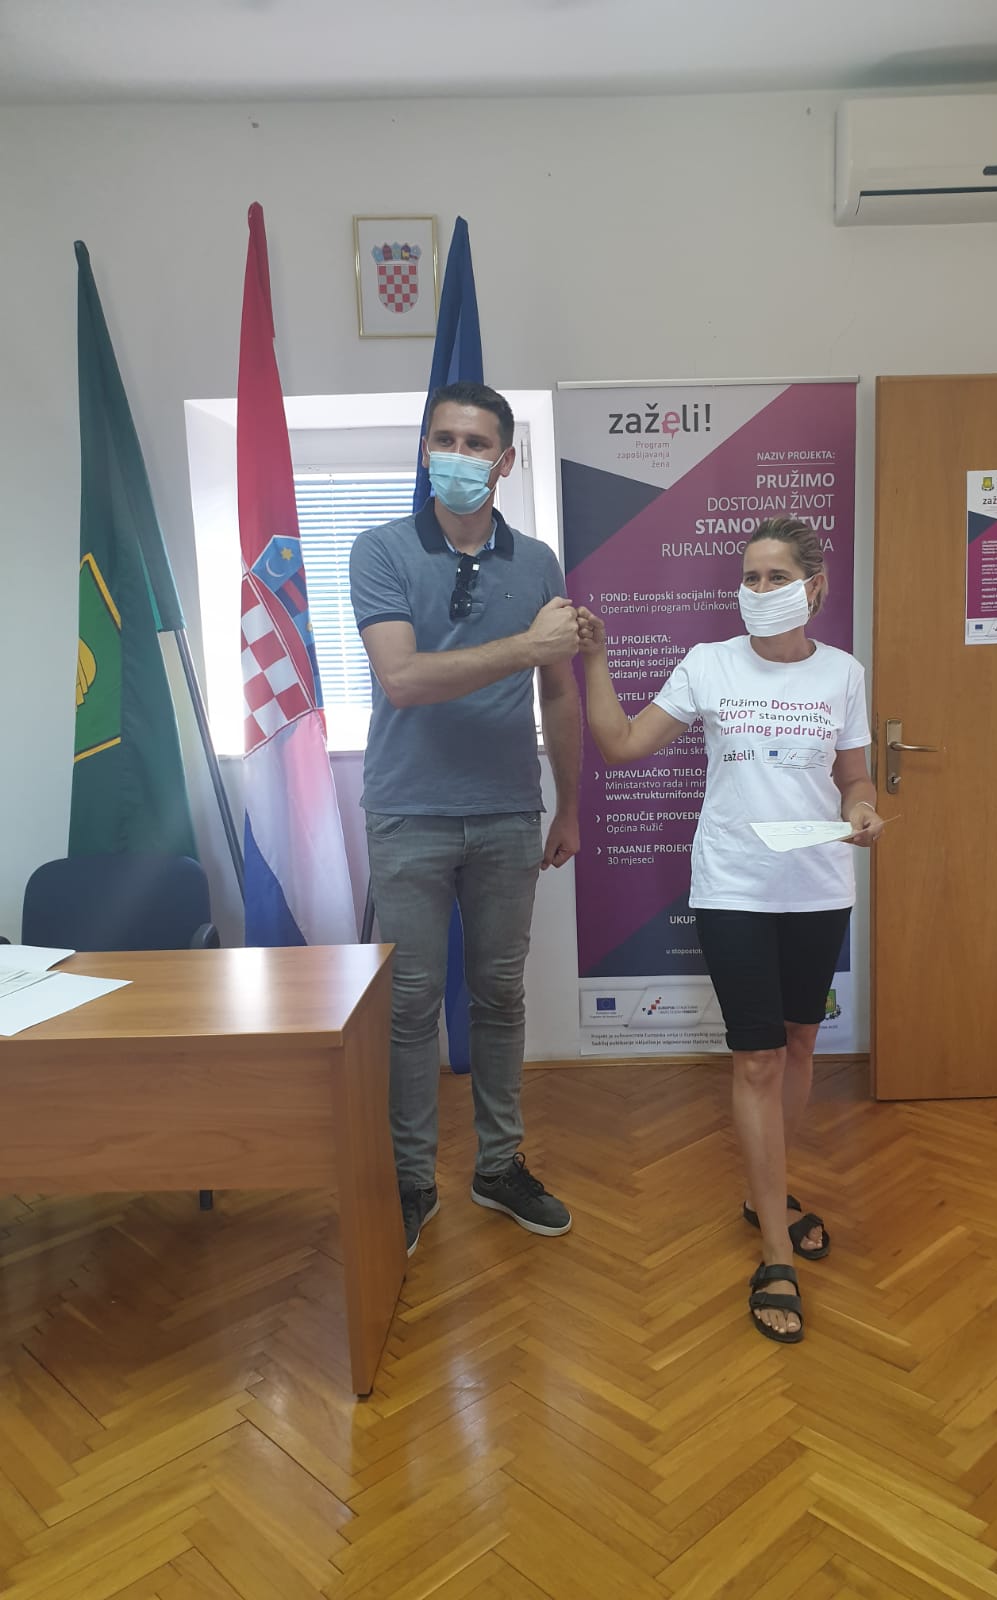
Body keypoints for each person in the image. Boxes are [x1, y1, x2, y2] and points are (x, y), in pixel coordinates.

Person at [577, 517, 885, 1343]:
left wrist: (861, 810)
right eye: (750, 576)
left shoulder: (843, 673)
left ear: (815, 587)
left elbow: (855, 776)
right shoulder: (708, 663)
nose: (759, 590)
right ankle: (775, 1249)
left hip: (817, 886)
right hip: (734, 887)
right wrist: (597, 660)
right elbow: (621, 744)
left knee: (800, 1043)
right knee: (756, 1058)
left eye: (775, 576)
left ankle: (764, 1192)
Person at [349, 380, 580, 1257]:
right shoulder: (379, 549)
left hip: (510, 813)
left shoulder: (539, 563)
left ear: (505, 461)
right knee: (410, 1007)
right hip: (408, 814)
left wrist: (571, 805)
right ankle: (411, 1180)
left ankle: (498, 1165)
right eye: (443, 439)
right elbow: (403, 680)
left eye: (476, 443)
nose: (457, 455)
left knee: (500, 997)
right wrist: (525, 646)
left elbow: (559, 692)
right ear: (423, 450)